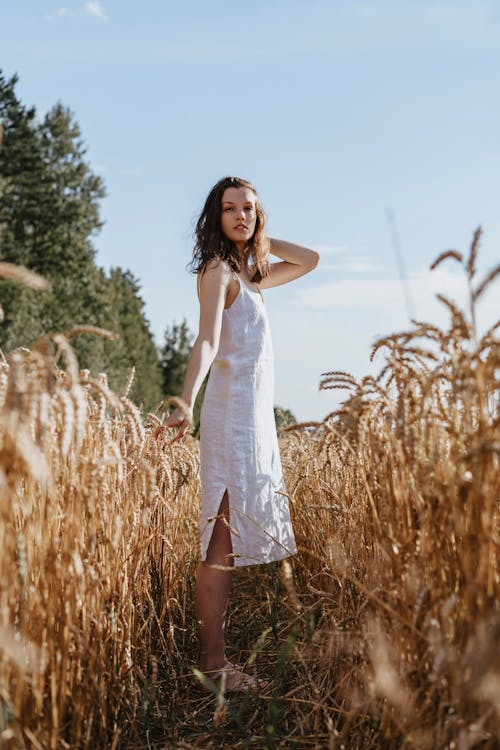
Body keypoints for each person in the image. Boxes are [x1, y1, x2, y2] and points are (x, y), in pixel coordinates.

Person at [156, 176, 319, 692]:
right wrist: (185, 402)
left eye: (248, 208)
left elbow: (310, 259)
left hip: (255, 422)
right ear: (215, 216)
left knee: (230, 536)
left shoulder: (251, 275)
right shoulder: (218, 272)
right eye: (230, 209)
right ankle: (213, 664)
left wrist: (263, 240)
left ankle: (217, 661)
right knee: (219, 539)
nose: (240, 216)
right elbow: (206, 340)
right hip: (229, 418)